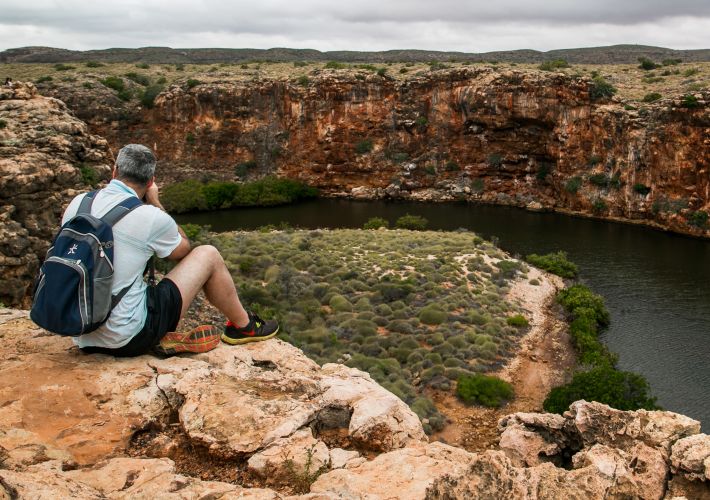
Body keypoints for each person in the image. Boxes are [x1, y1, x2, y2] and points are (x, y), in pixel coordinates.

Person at [61, 144, 278, 357]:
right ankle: (245, 326)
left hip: (80, 331)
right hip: (127, 339)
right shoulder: (149, 216)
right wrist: (155, 202)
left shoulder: (79, 203)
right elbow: (183, 250)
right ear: (151, 181)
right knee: (208, 254)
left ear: (115, 170)